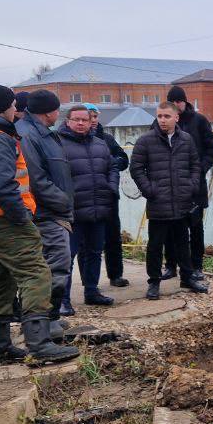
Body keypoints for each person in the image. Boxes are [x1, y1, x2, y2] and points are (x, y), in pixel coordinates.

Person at [0, 85, 77, 364]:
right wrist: (22, 217)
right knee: (37, 274)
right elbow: (2, 185)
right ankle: (40, 343)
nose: (16, 110)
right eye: (13, 105)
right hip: (4, 220)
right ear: (3, 108)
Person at [130, 102, 208, 298]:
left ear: (176, 118)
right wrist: (150, 190)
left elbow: (195, 165)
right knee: (155, 245)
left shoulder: (186, 140)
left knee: (183, 242)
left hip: (182, 203)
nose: (162, 120)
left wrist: (191, 186)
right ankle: (154, 282)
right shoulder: (146, 141)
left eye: (166, 116)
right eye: (159, 116)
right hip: (159, 204)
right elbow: (136, 168)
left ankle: (187, 278)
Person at [15, 89, 75, 335]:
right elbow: (36, 180)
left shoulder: (41, 133)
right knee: (55, 265)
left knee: (50, 266)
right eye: (56, 110)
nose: (58, 114)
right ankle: (44, 323)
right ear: (49, 111)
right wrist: (63, 202)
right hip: (46, 214)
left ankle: (44, 320)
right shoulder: (29, 136)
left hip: (51, 211)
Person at [57, 104, 119, 307]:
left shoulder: (100, 144)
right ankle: (63, 300)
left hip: (98, 208)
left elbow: (113, 168)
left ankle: (92, 292)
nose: (81, 123)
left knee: (94, 252)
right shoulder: (58, 144)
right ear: (68, 121)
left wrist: (111, 188)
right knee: (67, 256)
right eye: (77, 119)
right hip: (72, 212)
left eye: (85, 119)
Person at [166, 85, 213, 278]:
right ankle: (171, 266)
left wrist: (200, 169)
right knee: (170, 227)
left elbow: (211, 148)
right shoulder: (162, 122)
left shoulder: (199, 121)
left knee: (195, 227)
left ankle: (197, 266)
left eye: (177, 102)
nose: (174, 106)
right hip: (170, 185)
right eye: (171, 103)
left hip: (195, 184)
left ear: (184, 102)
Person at [87, 104, 130, 289]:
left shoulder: (107, 140)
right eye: (90, 116)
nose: (94, 120)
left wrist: (109, 163)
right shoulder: (72, 142)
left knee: (113, 237)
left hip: (108, 196)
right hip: (86, 197)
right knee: (88, 242)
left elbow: (123, 160)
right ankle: (90, 282)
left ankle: (116, 274)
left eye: (96, 116)